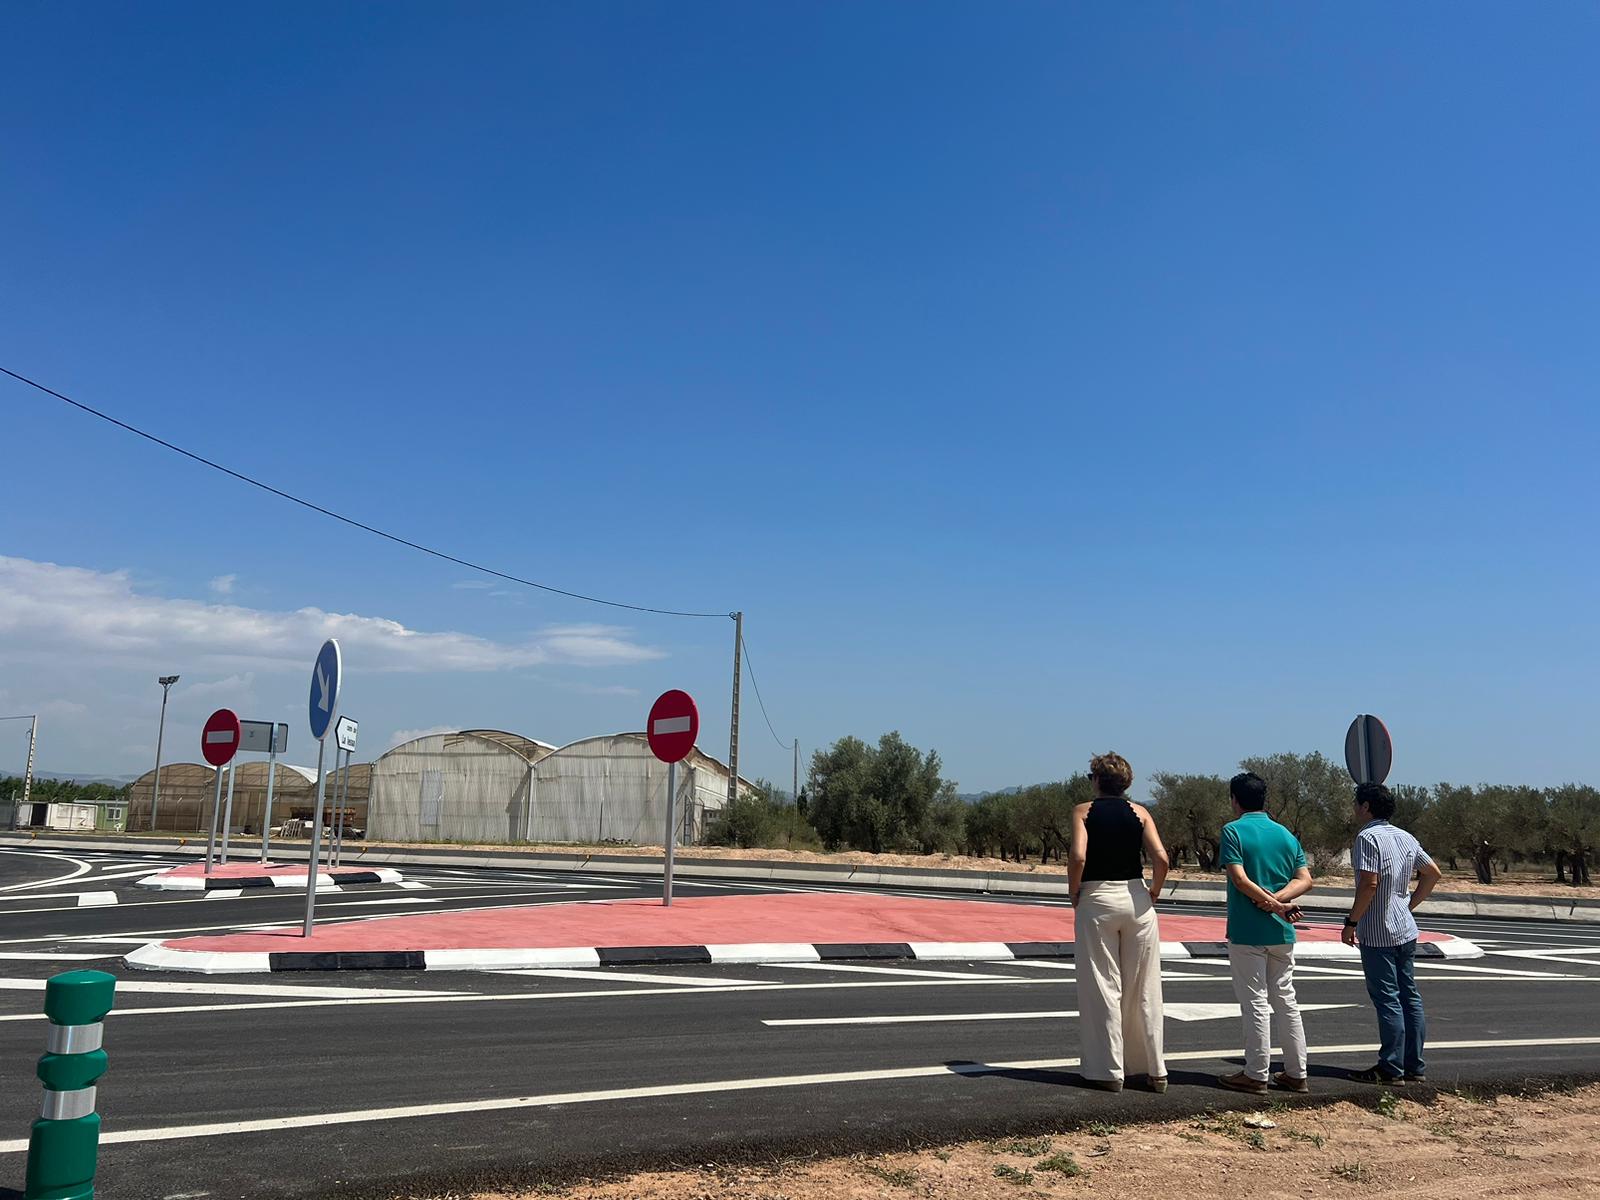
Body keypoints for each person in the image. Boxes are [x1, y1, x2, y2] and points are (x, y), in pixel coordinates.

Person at [1068, 751, 1170, 1094]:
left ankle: (1109, 1071)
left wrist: (1074, 892)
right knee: (1144, 987)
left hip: (1097, 897)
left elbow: (1079, 855)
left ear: (1096, 780)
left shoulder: (1083, 811)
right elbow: (1161, 857)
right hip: (1137, 899)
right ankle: (1154, 1070)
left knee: (1103, 985)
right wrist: (1153, 891)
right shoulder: (1141, 813)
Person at [1215, 771, 1315, 1095]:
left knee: (1255, 1002)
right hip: (1282, 934)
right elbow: (1305, 880)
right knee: (1286, 1000)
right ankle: (1296, 1072)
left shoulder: (1233, 831)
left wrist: (1270, 903)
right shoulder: (1286, 835)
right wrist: (1281, 903)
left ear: (1235, 799)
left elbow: (1239, 880)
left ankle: (1256, 1074)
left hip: (1247, 932)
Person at [1342, 781, 1443, 1085]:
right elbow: (1433, 873)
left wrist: (1352, 921)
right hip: (1405, 927)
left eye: (1357, 803)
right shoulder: (1406, 837)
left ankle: (1390, 1067)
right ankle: (1414, 1065)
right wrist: (1410, 904)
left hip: (1377, 929)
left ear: (1366, 807)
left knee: (1387, 998)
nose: (1354, 808)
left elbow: (1369, 884)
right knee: (1409, 996)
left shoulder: (1367, 838)